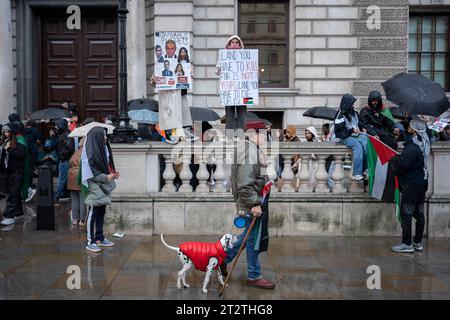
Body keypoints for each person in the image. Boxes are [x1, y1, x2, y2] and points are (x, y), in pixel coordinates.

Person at [223, 122, 275, 290]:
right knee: (252, 240)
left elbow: (250, 176)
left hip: (248, 202)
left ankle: (222, 259)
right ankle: (254, 275)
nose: (266, 138)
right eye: (263, 134)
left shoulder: (249, 149)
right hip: (249, 203)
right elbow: (245, 184)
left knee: (247, 236)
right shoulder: (248, 151)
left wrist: (263, 165)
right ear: (253, 134)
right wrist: (254, 203)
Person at [390, 119, 429, 253]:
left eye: (410, 127)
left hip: (412, 185)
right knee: (419, 214)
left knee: (406, 213)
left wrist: (394, 158)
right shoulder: (424, 144)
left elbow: (401, 166)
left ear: (414, 130)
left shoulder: (413, 147)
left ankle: (407, 244)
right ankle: (417, 242)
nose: (408, 128)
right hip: (421, 183)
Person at [81, 127, 119, 253]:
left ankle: (99, 237)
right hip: (96, 187)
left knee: (101, 212)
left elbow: (107, 165)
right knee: (93, 213)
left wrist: (113, 173)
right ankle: (90, 241)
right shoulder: (91, 152)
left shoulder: (103, 149)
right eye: (103, 135)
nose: (105, 138)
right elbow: (90, 172)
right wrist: (106, 177)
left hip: (103, 187)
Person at [216, 35, 247, 139]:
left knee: (241, 112)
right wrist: (219, 70)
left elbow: (249, 70)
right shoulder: (223, 56)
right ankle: (230, 135)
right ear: (229, 44)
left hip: (242, 90)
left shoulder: (245, 56)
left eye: (236, 42)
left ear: (240, 44)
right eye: (232, 42)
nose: (234, 44)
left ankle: (240, 134)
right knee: (229, 112)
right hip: (228, 89)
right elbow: (217, 71)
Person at [150, 76, 194, 144]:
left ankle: (185, 131)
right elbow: (154, 82)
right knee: (169, 115)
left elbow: (186, 83)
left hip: (179, 93)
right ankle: (171, 133)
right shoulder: (161, 66)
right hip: (167, 94)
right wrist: (154, 80)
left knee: (182, 113)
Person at [334, 94, 368, 181]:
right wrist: (352, 130)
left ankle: (366, 169)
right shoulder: (339, 115)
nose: (353, 105)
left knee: (366, 143)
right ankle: (357, 173)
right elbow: (340, 131)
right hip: (345, 137)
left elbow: (360, 123)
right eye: (352, 103)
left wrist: (363, 128)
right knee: (357, 146)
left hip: (357, 135)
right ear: (347, 104)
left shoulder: (355, 113)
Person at [0, 124, 26, 226]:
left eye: (7, 132)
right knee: (14, 194)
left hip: (17, 173)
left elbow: (22, 155)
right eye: (4, 132)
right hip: (8, 173)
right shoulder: (5, 143)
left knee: (13, 194)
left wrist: (9, 149)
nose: (5, 134)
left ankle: (9, 216)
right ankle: (18, 212)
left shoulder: (19, 144)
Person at [54, 118, 75, 202]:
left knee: (61, 179)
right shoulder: (64, 134)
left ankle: (57, 196)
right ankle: (65, 194)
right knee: (64, 178)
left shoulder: (66, 134)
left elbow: (69, 147)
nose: (56, 128)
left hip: (65, 160)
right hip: (65, 159)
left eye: (57, 126)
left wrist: (62, 155)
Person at [68, 137, 86, 226]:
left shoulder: (76, 152)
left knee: (74, 199)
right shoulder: (85, 152)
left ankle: (75, 219)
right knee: (82, 199)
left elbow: (70, 162)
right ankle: (82, 220)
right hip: (81, 176)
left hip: (71, 177)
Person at [23, 119, 42, 202]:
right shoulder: (35, 131)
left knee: (27, 168)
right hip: (33, 152)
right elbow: (40, 139)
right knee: (31, 168)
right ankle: (30, 184)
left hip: (25, 151)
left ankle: (28, 184)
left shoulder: (23, 130)